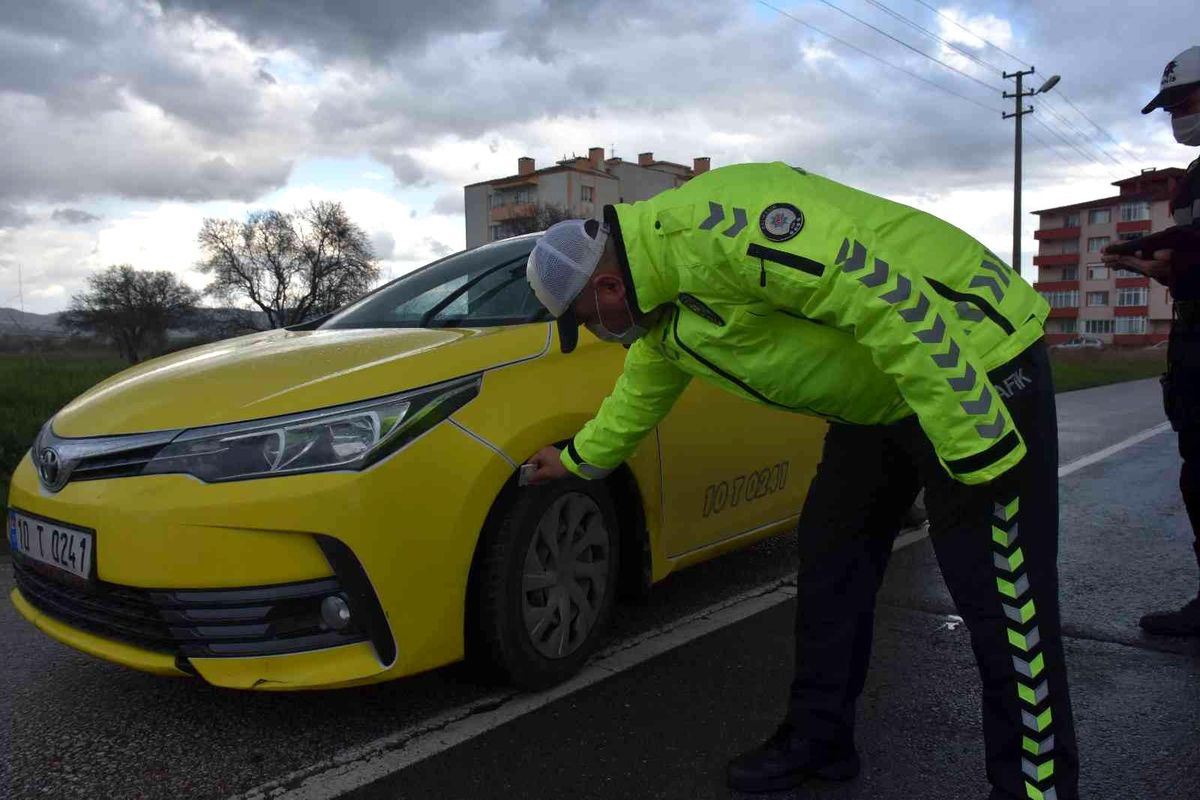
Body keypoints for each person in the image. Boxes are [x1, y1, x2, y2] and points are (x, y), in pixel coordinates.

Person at [522, 161, 1078, 799]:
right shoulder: (665, 321)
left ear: (610, 286)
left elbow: (882, 295)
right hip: (883, 398)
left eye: (588, 320)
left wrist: (976, 442)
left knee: (1002, 596)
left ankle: (1036, 790)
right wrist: (573, 460)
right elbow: (637, 398)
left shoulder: (717, 227)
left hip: (973, 360)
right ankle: (821, 740)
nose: (596, 333)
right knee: (831, 563)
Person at [1102, 45, 1200, 636]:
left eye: (1185, 103)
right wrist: (1139, 263)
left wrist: (1141, 245)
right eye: (1170, 109)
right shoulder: (1193, 178)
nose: (1177, 118)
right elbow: (1181, 266)